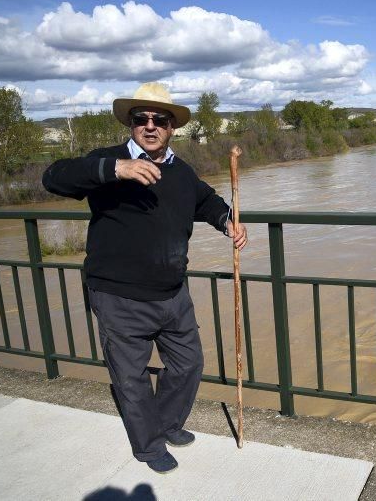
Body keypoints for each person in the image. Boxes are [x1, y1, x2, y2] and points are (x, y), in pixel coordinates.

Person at [42, 82, 247, 473]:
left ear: (172, 128)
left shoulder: (180, 170)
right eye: (142, 119)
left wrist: (226, 221)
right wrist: (117, 170)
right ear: (131, 124)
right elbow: (54, 176)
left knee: (188, 364)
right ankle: (149, 445)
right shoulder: (107, 161)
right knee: (131, 378)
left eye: (160, 120)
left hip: (173, 293)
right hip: (120, 296)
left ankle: (167, 423)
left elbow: (205, 200)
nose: (150, 126)